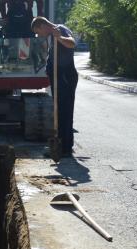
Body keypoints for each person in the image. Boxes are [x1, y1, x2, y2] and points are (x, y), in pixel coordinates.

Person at [32, 17, 78, 156]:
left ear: (42, 26)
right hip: (59, 78)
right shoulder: (52, 35)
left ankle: (66, 148)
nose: (39, 35)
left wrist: (60, 38)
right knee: (59, 112)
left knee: (65, 112)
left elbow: (72, 43)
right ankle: (60, 145)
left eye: (38, 32)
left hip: (65, 77)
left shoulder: (60, 30)